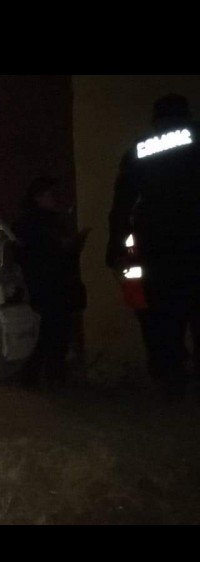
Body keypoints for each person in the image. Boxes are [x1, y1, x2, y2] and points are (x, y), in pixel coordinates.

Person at [107, 93, 200, 400]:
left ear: (156, 120)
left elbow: (122, 205)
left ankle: (171, 384)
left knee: (162, 321)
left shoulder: (139, 149)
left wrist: (115, 248)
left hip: (158, 248)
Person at [14, 176, 90, 388]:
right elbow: (41, 254)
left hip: (55, 284)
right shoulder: (34, 224)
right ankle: (44, 375)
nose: (54, 199)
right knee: (53, 331)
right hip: (48, 285)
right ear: (38, 197)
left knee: (55, 331)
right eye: (50, 195)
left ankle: (45, 375)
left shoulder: (48, 222)